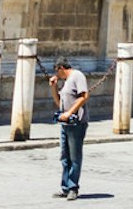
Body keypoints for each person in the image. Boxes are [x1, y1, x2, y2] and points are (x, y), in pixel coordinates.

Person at [50, 58, 89, 200]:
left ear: (61, 67)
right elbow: (58, 102)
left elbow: (84, 96)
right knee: (65, 157)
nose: (56, 74)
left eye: (56, 70)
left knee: (75, 156)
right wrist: (53, 87)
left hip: (76, 123)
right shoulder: (66, 82)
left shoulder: (77, 76)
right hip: (65, 124)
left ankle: (73, 187)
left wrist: (70, 113)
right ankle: (65, 187)